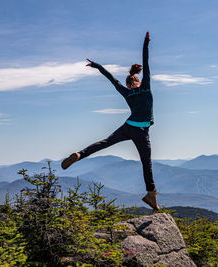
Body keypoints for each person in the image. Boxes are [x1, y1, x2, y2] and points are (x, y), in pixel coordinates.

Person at [61, 32, 159, 211]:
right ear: (137, 80)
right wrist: (145, 43)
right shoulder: (145, 88)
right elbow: (146, 63)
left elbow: (111, 78)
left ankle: (80, 154)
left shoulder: (126, 92)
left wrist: (96, 65)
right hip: (142, 132)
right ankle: (151, 195)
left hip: (128, 127)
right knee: (147, 163)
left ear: (129, 84)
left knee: (105, 142)